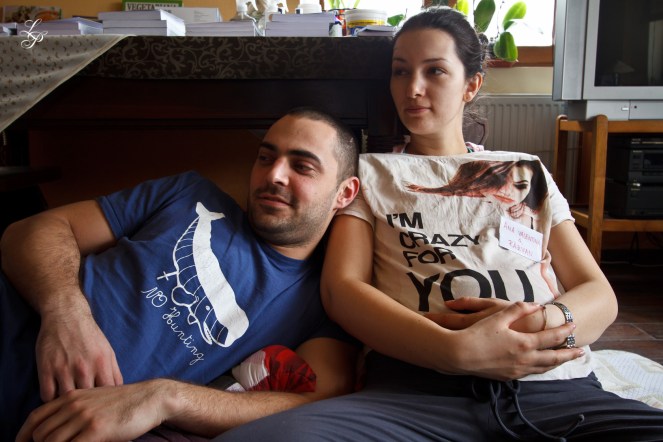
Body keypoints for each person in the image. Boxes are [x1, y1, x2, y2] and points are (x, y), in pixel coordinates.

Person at [215, 8, 663, 441]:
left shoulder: (525, 171)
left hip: (553, 388)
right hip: (417, 391)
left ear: (472, 84)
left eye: (435, 71)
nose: (413, 88)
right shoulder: (371, 173)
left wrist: (542, 322)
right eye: (400, 71)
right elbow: (342, 290)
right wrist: (455, 351)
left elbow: (599, 295)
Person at [0, 107, 361, 441]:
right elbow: (30, 231)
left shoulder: (324, 298)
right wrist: (65, 314)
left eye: (302, 166)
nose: (274, 175)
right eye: (265, 158)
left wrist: (165, 398)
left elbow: (318, 397)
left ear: (344, 193)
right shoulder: (190, 192)